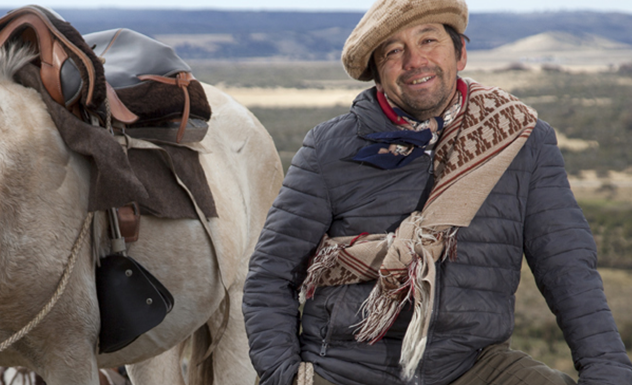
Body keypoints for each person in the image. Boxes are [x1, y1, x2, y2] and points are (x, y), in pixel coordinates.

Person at [241, 0, 632, 384]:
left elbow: (567, 268)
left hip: (476, 365)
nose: (415, 61)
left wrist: (608, 372)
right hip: (346, 367)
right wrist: (282, 376)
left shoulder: (522, 141)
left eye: (429, 41)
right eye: (394, 51)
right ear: (378, 72)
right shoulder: (329, 148)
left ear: (460, 53)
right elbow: (271, 274)